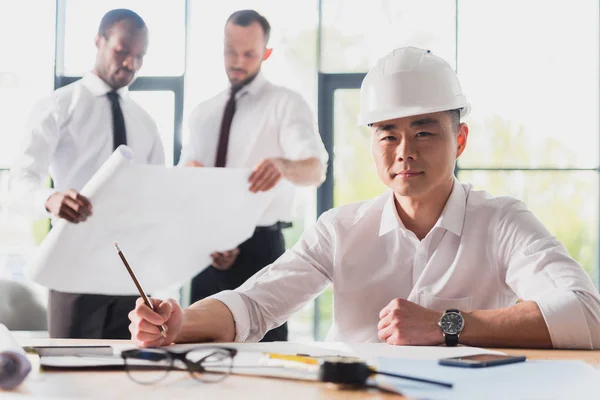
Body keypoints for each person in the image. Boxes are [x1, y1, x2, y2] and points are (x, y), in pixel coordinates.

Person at [129, 46, 600, 349]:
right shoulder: (341, 229)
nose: (404, 152)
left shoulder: (501, 223)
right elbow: (254, 305)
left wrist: (447, 323)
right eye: (388, 135)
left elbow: (586, 312)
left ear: (459, 141)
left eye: (424, 132)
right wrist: (180, 323)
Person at [9, 9, 164, 339]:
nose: (131, 64)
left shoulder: (146, 123)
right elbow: (20, 180)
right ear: (99, 41)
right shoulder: (57, 106)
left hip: (131, 271)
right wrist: (50, 199)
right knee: (70, 374)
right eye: (122, 51)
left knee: (128, 378)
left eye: (140, 56)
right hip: (74, 264)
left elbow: (157, 194)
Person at [178, 10, 328, 342]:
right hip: (205, 247)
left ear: (266, 54)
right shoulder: (204, 112)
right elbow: (185, 176)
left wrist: (284, 166)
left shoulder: (286, 104)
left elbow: (315, 169)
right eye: (231, 51)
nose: (238, 61)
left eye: (249, 54)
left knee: (265, 360)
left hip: (259, 250)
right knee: (194, 352)